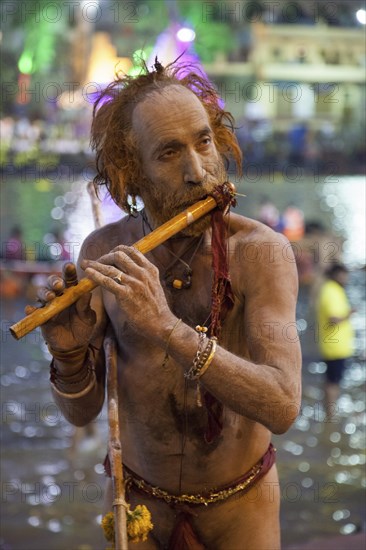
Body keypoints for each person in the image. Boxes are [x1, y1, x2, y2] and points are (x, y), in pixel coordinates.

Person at [27, 60, 301, 549]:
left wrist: (167, 329)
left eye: (204, 142)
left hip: (241, 509)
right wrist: (69, 358)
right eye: (170, 153)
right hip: (136, 506)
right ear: (132, 175)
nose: (198, 172)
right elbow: (81, 414)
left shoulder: (262, 254)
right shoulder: (103, 253)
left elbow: (282, 406)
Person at [316, 263, 355, 420]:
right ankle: (330, 414)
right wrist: (350, 313)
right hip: (334, 346)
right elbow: (333, 318)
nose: (346, 278)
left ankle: (330, 412)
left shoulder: (333, 289)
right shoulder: (330, 291)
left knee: (333, 380)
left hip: (338, 345)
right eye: (344, 275)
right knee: (333, 382)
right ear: (337, 275)